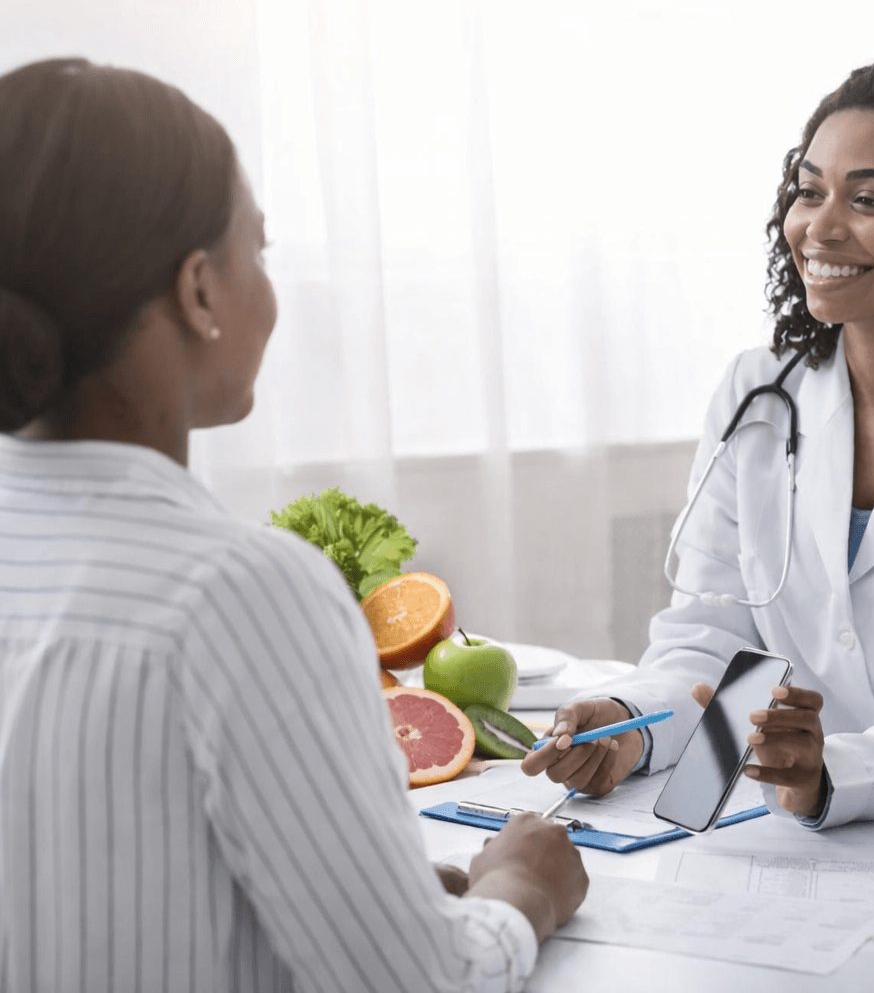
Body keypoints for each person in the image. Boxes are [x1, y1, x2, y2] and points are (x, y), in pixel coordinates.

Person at [0, 58, 587, 993]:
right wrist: (525, 890)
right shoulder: (237, 590)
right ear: (199, 292)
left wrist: (371, 895)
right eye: (259, 251)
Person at [524, 58, 874, 828]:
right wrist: (630, 726)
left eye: (866, 200)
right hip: (789, 841)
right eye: (808, 189)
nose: (819, 227)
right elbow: (712, 642)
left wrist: (836, 771)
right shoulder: (758, 396)